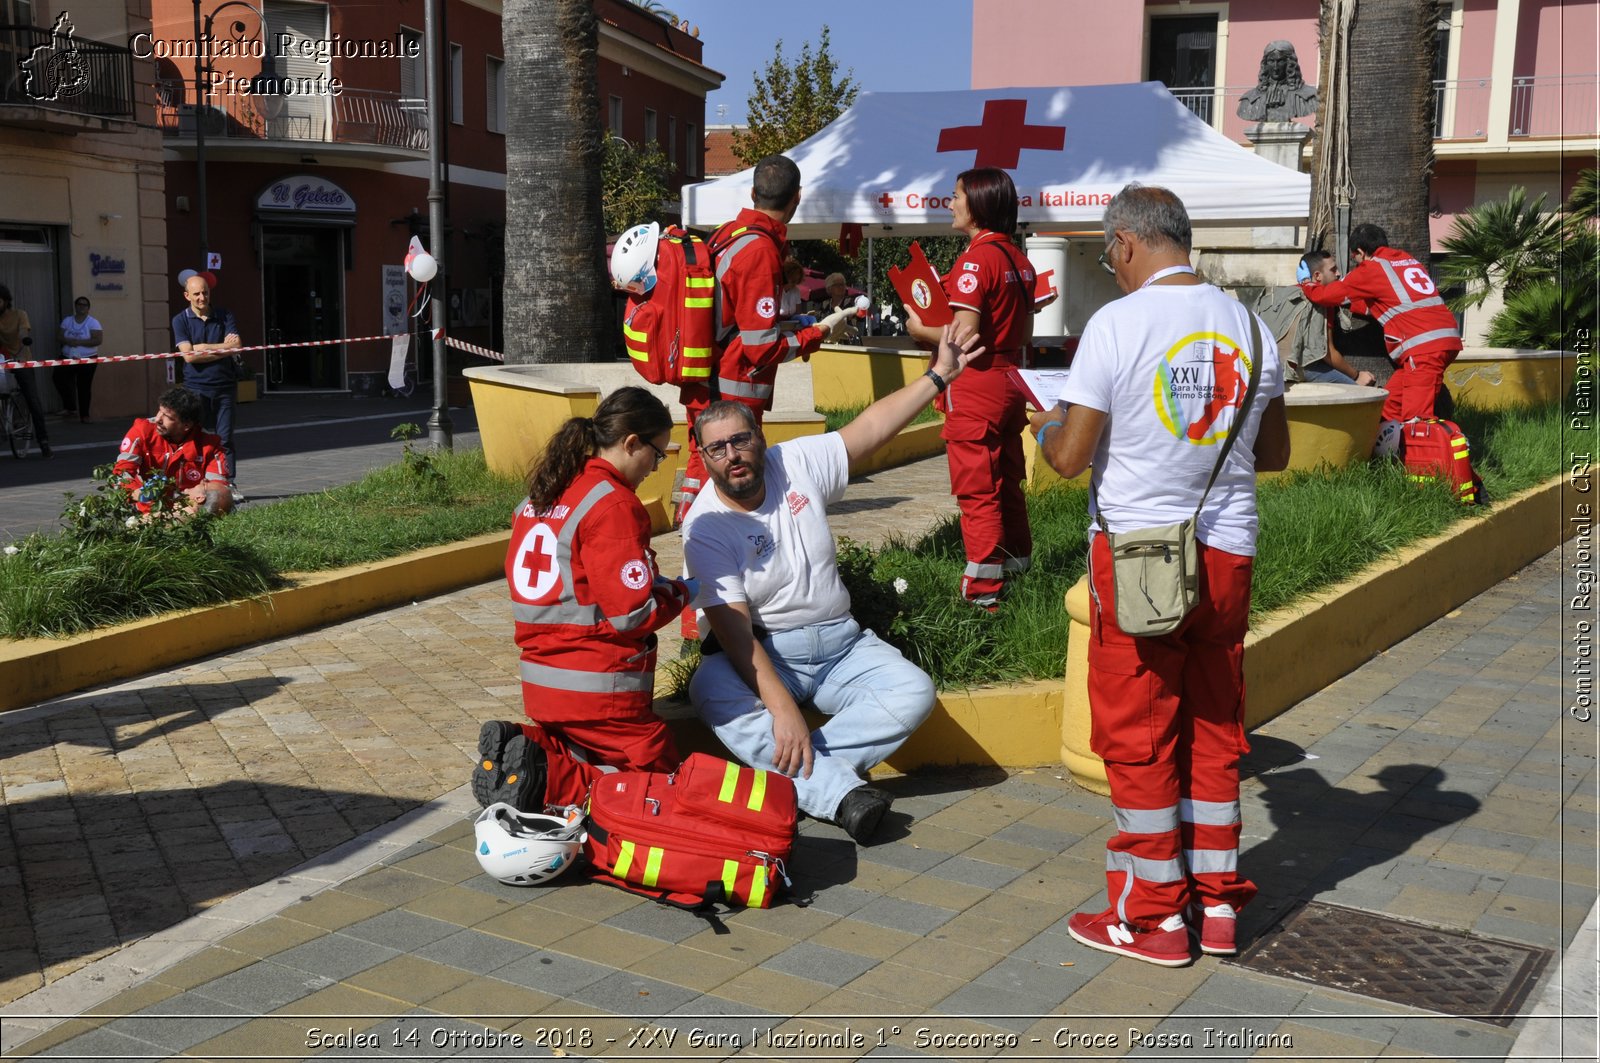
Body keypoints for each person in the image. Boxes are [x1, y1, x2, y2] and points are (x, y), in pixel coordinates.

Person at [1031, 184, 1290, 967]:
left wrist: (1045, 426)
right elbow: (1272, 453)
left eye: (1110, 252)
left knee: (1139, 738)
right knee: (1213, 729)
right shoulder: (1252, 326)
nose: (1112, 266)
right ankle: (1215, 909)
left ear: (1129, 242)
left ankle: (1152, 920)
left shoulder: (1116, 324)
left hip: (1141, 559)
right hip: (1228, 555)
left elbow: (1071, 458)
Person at [682, 322, 986, 844]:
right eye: (717, 449)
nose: (732, 455)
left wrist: (938, 376)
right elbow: (733, 634)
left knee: (913, 691)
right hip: (769, 652)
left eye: (740, 440)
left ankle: (799, 780)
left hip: (843, 645)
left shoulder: (794, 462)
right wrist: (782, 710)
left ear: (759, 437)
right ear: (705, 458)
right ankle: (838, 795)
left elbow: (870, 429)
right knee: (708, 687)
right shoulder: (705, 527)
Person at [473, 386, 698, 813]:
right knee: (658, 779)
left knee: (583, 752)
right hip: (599, 686)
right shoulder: (613, 503)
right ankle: (541, 778)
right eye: (657, 453)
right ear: (631, 442)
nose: (656, 465)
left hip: (543, 682)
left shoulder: (541, 496)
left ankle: (533, 752)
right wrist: (684, 592)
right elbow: (633, 614)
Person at [905, 167, 1048, 610]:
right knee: (1007, 482)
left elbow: (964, 339)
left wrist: (919, 328)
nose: (950, 204)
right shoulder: (1019, 260)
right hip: (1009, 381)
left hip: (976, 386)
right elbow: (1022, 335)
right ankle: (1017, 571)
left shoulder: (974, 260)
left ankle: (982, 595)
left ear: (978, 204)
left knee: (978, 489)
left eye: (956, 196)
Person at [677, 154, 846, 525]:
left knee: (700, 463)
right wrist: (814, 335)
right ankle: (710, 538)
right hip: (731, 390)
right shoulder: (760, 250)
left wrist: (790, 325)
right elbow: (760, 347)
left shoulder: (728, 234)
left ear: (753, 192)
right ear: (797, 197)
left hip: (704, 379)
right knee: (731, 474)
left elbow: (737, 319)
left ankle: (690, 527)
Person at [1301, 223, 1460, 422]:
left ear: (1360, 252)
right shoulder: (1406, 260)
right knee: (1390, 406)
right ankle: (1388, 448)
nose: (1355, 265)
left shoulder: (1371, 268)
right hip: (1445, 339)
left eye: (1355, 259)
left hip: (1423, 348)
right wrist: (1353, 305)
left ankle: (1425, 452)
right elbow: (1390, 302)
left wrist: (1306, 283)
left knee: (1416, 419)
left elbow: (1326, 295)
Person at [1252, 253, 1376, 386]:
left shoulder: (1281, 293)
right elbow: (1328, 353)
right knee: (1357, 392)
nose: (1339, 274)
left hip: (1264, 366)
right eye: (1333, 270)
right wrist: (1357, 376)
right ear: (1317, 276)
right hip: (1299, 368)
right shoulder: (1321, 299)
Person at [171, 274, 242, 501]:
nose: (202, 297)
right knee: (194, 438)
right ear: (187, 296)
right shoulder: (180, 320)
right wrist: (221, 349)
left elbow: (236, 346)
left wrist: (203, 347)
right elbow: (189, 357)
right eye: (197, 294)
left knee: (224, 438)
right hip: (196, 389)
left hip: (224, 387)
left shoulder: (224, 315)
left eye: (205, 292)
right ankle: (194, 484)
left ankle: (227, 484)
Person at [113, 386, 233, 516]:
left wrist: (188, 513)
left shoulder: (210, 445)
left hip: (189, 513)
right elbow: (121, 474)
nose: (158, 419)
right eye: (159, 411)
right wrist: (139, 494)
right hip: (146, 512)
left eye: (167, 416)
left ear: (186, 425)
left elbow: (218, 491)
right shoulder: (142, 430)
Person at [0, 284, 52, 458]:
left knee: (32, 400)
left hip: (21, 360)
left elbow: (23, 333)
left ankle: (44, 442)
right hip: (2, 362)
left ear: (5, 301)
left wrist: (25, 339)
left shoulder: (19, 315)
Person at [1235, 40, 1319, 122]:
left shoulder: (1309, 96)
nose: (1275, 67)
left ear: (1289, 63)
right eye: (1271, 61)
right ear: (1265, 64)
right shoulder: (1249, 99)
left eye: (1280, 61)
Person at [55, 296, 103, 422]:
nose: (82, 307)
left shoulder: (93, 322)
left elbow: (98, 340)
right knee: (58, 378)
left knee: (84, 386)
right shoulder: (68, 320)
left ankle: (85, 415)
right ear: (75, 306)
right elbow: (59, 336)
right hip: (68, 357)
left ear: (88, 308)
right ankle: (70, 407)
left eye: (85, 305)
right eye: (79, 304)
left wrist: (79, 342)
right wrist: (68, 341)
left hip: (88, 359)